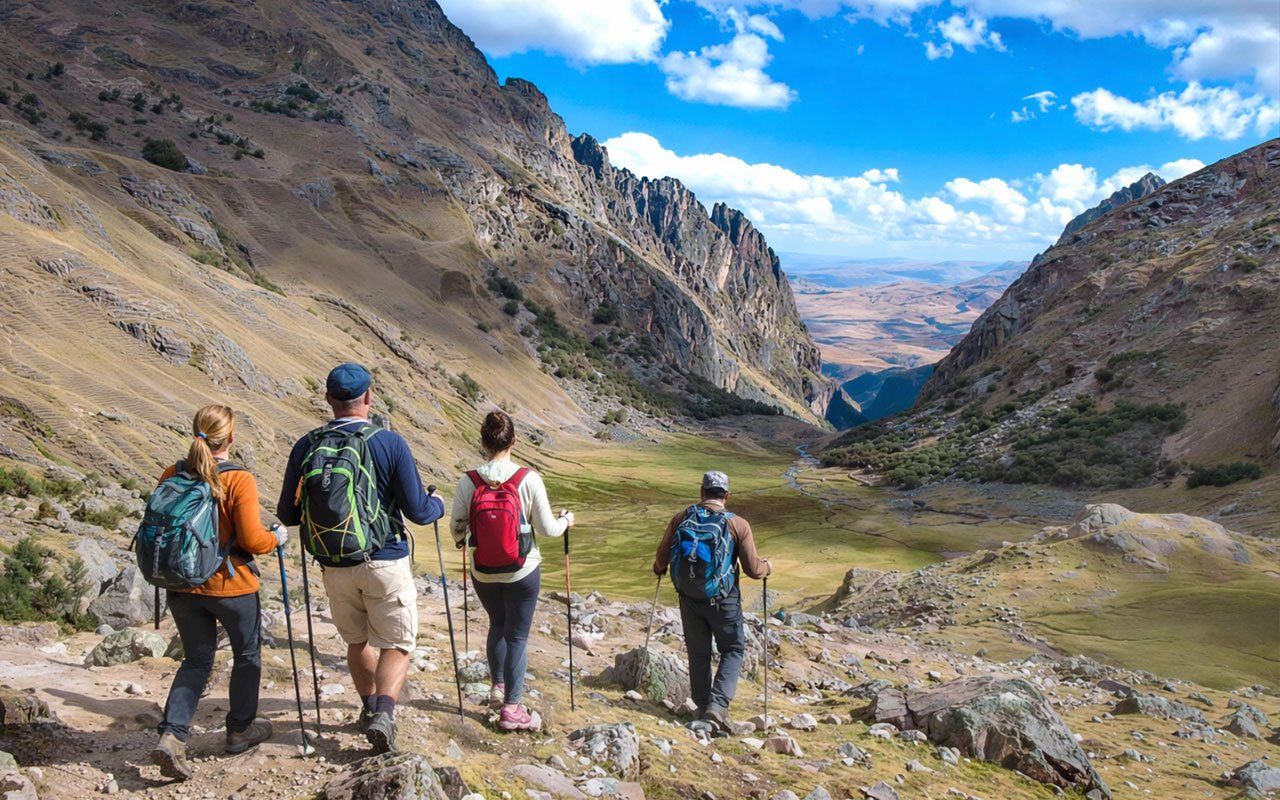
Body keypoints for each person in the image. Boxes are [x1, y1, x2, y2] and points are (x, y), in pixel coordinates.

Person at [277, 363, 444, 753]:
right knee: (397, 644)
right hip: (384, 560)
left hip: (334, 564)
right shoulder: (389, 443)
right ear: (368, 397)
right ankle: (385, 714)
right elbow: (419, 512)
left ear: (328, 399)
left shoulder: (306, 445)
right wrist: (436, 503)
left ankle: (368, 709)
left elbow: (287, 514)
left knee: (357, 640)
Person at [151, 405, 287, 781]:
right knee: (247, 656)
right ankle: (240, 730)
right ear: (230, 438)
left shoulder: (172, 473)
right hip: (232, 586)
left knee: (196, 661)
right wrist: (277, 538)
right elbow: (252, 540)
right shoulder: (238, 478)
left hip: (181, 584)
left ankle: (172, 735)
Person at [450, 410, 574, 732]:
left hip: (483, 571)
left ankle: (498, 687)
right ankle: (512, 709)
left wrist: (470, 538)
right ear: (514, 440)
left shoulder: (468, 481)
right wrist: (567, 521)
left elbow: (457, 530)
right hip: (523, 571)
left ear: (483, 442)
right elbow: (547, 529)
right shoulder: (528, 479)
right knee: (517, 635)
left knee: (497, 623)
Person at [652, 471, 770, 731]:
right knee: (733, 649)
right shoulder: (738, 524)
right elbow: (753, 570)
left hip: (689, 598)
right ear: (727, 495)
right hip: (723, 600)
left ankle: (703, 707)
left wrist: (659, 569)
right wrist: (767, 568)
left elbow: (661, 559)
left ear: (701, 492)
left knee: (698, 653)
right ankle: (717, 707)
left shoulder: (681, 518)